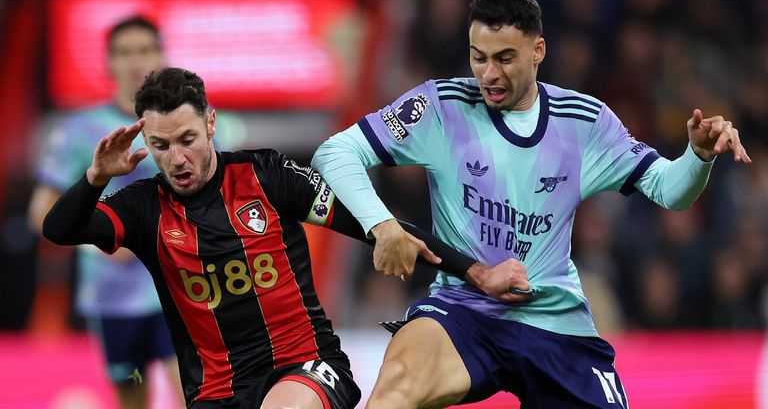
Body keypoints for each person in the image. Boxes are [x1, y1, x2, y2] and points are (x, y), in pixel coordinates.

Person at [311, 0, 751, 409]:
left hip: (553, 319)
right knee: (395, 389)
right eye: (478, 57)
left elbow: (669, 190)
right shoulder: (441, 107)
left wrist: (697, 156)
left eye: (505, 58)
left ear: (537, 52)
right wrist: (381, 223)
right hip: (462, 310)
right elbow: (336, 151)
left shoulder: (584, 122)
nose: (489, 74)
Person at [42, 67, 531, 409]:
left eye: (187, 139)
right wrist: (94, 178)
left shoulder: (266, 176)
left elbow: (368, 223)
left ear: (210, 124)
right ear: (146, 144)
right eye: (161, 146)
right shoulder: (144, 207)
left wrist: (476, 271)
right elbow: (60, 229)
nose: (177, 159)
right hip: (217, 394)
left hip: (307, 365)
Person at [28, 16, 184, 408]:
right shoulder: (80, 130)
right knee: (132, 400)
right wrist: (97, 245)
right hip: (113, 299)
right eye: (125, 52)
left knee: (196, 394)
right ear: (108, 63)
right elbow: (41, 214)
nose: (136, 61)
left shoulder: (189, 122)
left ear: (162, 56)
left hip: (183, 287)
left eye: (145, 50)